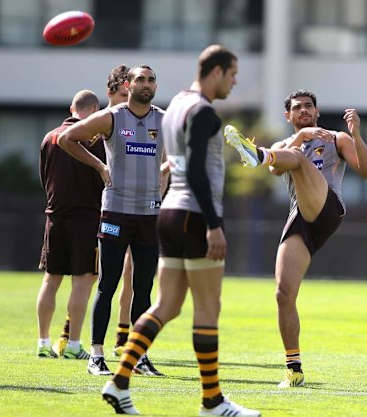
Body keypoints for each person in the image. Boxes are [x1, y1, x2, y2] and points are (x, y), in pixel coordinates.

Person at [101, 45, 260, 417]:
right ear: (216, 71)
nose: (235, 83)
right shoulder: (203, 111)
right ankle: (212, 402)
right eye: (233, 74)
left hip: (169, 212)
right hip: (194, 216)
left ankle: (119, 381)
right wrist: (215, 225)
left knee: (166, 305)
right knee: (207, 307)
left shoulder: (173, 108)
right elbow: (198, 173)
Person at [225, 89, 367, 388]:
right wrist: (300, 138)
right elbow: (273, 169)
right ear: (288, 116)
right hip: (302, 218)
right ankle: (293, 369)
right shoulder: (287, 145)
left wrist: (356, 134)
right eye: (298, 108)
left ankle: (255, 153)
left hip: (330, 208)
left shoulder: (336, 138)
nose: (304, 111)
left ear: (317, 112)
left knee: (294, 158)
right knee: (283, 293)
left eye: (309, 107)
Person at [57, 65, 166, 377]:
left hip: (149, 214)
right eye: (140, 79)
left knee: (144, 288)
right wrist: (100, 167)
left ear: (155, 86)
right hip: (116, 212)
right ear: (128, 84)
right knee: (107, 284)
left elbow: (181, 154)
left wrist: (167, 179)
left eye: (151, 79)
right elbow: (68, 138)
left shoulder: (165, 119)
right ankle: (96, 355)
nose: (146, 84)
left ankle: (139, 356)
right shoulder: (113, 117)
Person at [51, 65, 134, 359]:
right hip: (99, 212)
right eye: (125, 93)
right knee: (94, 277)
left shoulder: (137, 121)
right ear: (111, 93)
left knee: (129, 273)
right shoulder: (98, 127)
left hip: (134, 209)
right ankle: (70, 336)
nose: (130, 98)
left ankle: (122, 336)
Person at [37, 90, 102, 360]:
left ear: (71, 108)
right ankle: (74, 344)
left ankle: (42, 342)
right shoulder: (94, 139)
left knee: (51, 280)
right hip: (85, 218)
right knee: (82, 281)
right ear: (95, 109)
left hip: (55, 215)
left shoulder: (48, 137)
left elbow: (44, 176)